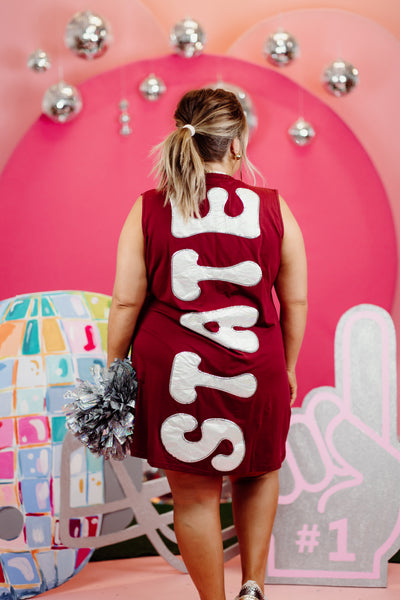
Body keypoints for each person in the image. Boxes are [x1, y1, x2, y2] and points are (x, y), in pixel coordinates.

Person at [107, 88, 307, 600]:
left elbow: (127, 303)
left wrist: (114, 367)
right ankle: (254, 587)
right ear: (237, 144)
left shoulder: (148, 207)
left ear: (183, 138)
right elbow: (296, 301)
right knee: (257, 472)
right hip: (254, 362)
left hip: (173, 368)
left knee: (193, 497)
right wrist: (287, 366)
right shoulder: (274, 207)